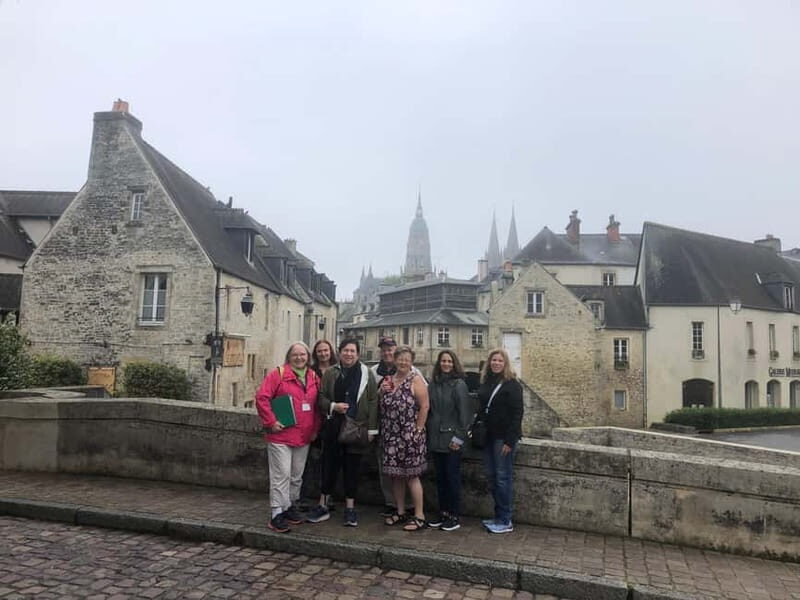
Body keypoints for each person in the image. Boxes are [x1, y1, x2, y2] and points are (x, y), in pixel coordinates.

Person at [306, 338, 378, 527]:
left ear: (358, 354)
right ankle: (323, 505)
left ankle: (350, 509)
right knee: (329, 465)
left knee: (352, 469)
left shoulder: (366, 373)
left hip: (356, 427)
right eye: (346, 350)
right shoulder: (331, 373)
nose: (349, 354)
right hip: (334, 427)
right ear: (339, 352)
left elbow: (372, 401)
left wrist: (372, 429)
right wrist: (333, 406)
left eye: (352, 351)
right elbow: (320, 397)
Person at [255, 341, 321, 533]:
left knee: (296, 477)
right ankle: (276, 513)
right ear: (289, 357)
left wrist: (315, 428)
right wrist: (271, 422)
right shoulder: (279, 374)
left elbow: (316, 407)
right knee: (281, 475)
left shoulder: (313, 377)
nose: (299, 358)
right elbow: (262, 398)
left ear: (308, 357)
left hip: (303, 435)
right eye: (295, 355)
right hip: (281, 435)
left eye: (303, 355)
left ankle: (289, 505)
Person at [380, 346, 429, 532]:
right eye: (400, 359)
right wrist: (382, 392)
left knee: (411, 476)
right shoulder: (390, 380)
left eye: (407, 359)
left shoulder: (415, 379)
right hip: (391, 435)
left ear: (411, 361)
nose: (403, 362)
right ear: (394, 360)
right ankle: (400, 511)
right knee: (396, 476)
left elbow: (424, 406)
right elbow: (381, 403)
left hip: (409, 435)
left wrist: (417, 429)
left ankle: (419, 515)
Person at [475, 348, 523, 534]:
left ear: (505, 364)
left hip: (503, 439)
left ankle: (505, 519)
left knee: (503, 478)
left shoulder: (512, 385)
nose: (496, 363)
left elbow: (517, 414)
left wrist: (510, 441)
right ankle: (498, 516)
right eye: (493, 360)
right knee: (492, 477)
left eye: (500, 361)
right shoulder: (486, 381)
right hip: (488, 437)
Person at [425, 350, 472, 532]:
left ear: (454, 364)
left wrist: (458, 439)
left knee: (452, 479)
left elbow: (465, 415)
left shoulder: (458, 385)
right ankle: (443, 513)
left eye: (449, 361)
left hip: (452, 440)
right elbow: (428, 408)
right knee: (441, 479)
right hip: (436, 439)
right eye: (443, 361)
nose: (446, 364)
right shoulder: (434, 384)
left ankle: (454, 515)